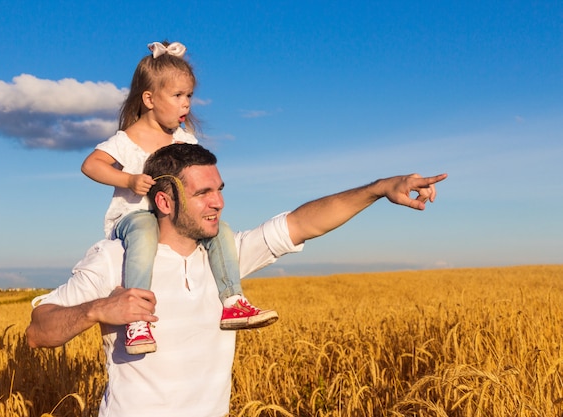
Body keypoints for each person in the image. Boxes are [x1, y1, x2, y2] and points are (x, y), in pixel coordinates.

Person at [27, 143, 448, 417]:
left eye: (220, 189)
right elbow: (38, 331)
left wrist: (379, 188)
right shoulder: (114, 258)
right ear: (164, 200)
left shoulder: (225, 258)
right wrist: (101, 308)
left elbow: (303, 223)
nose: (219, 202)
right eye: (204, 193)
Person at [80, 41, 277, 355]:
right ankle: (137, 319)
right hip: (133, 217)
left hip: (174, 218)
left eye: (189, 96)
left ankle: (232, 301)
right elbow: (91, 165)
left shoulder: (184, 139)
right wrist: (128, 179)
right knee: (145, 229)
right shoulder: (127, 140)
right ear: (149, 99)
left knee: (220, 230)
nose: (186, 104)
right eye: (177, 96)